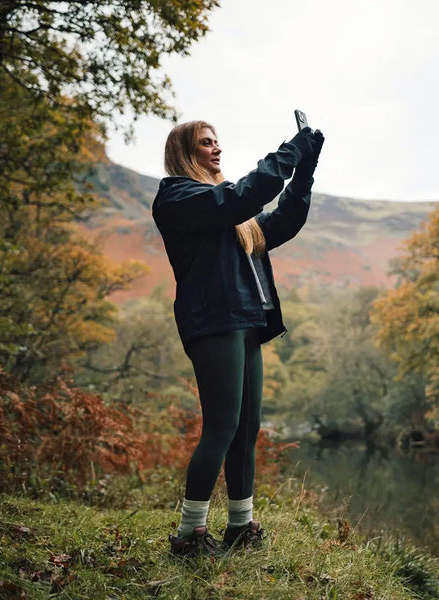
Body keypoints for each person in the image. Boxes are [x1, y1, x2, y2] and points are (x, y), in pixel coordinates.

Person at [152, 119, 324, 558]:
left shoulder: (230, 215)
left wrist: (306, 165)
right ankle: (190, 534)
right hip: (214, 322)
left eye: (217, 142)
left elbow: (282, 219)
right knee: (222, 427)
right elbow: (239, 196)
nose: (216, 150)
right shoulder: (179, 197)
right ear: (184, 152)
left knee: (247, 429)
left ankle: (241, 526)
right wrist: (290, 150)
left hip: (246, 320)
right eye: (206, 143)